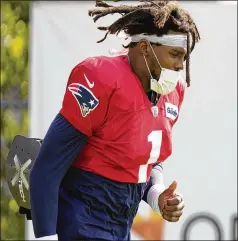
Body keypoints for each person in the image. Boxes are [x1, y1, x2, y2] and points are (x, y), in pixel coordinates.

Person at [28, 1, 201, 240]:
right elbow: (46, 168)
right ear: (144, 47)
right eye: (175, 54)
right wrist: (46, 237)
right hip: (81, 222)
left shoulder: (172, 93)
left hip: (120, 227)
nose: (180, 66)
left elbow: (147, 161)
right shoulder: (103, 78)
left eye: (184, 57)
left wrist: (158, 195)